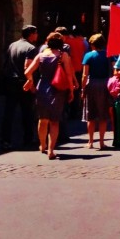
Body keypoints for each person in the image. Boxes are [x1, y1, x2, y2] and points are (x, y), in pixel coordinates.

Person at [24, 31, 73, 159]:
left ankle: (43, 145)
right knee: (55, 121)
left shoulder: (40, 56)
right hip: (58, 89)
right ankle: (51, 150)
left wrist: (30, 82)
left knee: (43, 119)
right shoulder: (64, 56)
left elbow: (28, 71)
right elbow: (68, 74)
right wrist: (71, 90)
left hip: (42, 87)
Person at [1, 25, 39, 150]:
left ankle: (5, 140)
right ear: (31, 34)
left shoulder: (12, 45)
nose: (37, 35)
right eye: (35, 33)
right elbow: (27, 67)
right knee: (27, 112)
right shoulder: (31, 48)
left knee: (9, 113)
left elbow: (5, 63)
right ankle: (28, 138)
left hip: (10, 81)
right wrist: (32, 84)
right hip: (23, 83)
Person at [81, 34, 111, 150]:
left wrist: (83, 89)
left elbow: (85, 74)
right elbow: (114, 70)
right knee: (103, 114)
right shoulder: (108, 55)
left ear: (92, 44)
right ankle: (102, 142)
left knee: (90, 114)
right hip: (105, 84)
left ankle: (91, 141)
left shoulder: (88, 56)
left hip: (92, 84)